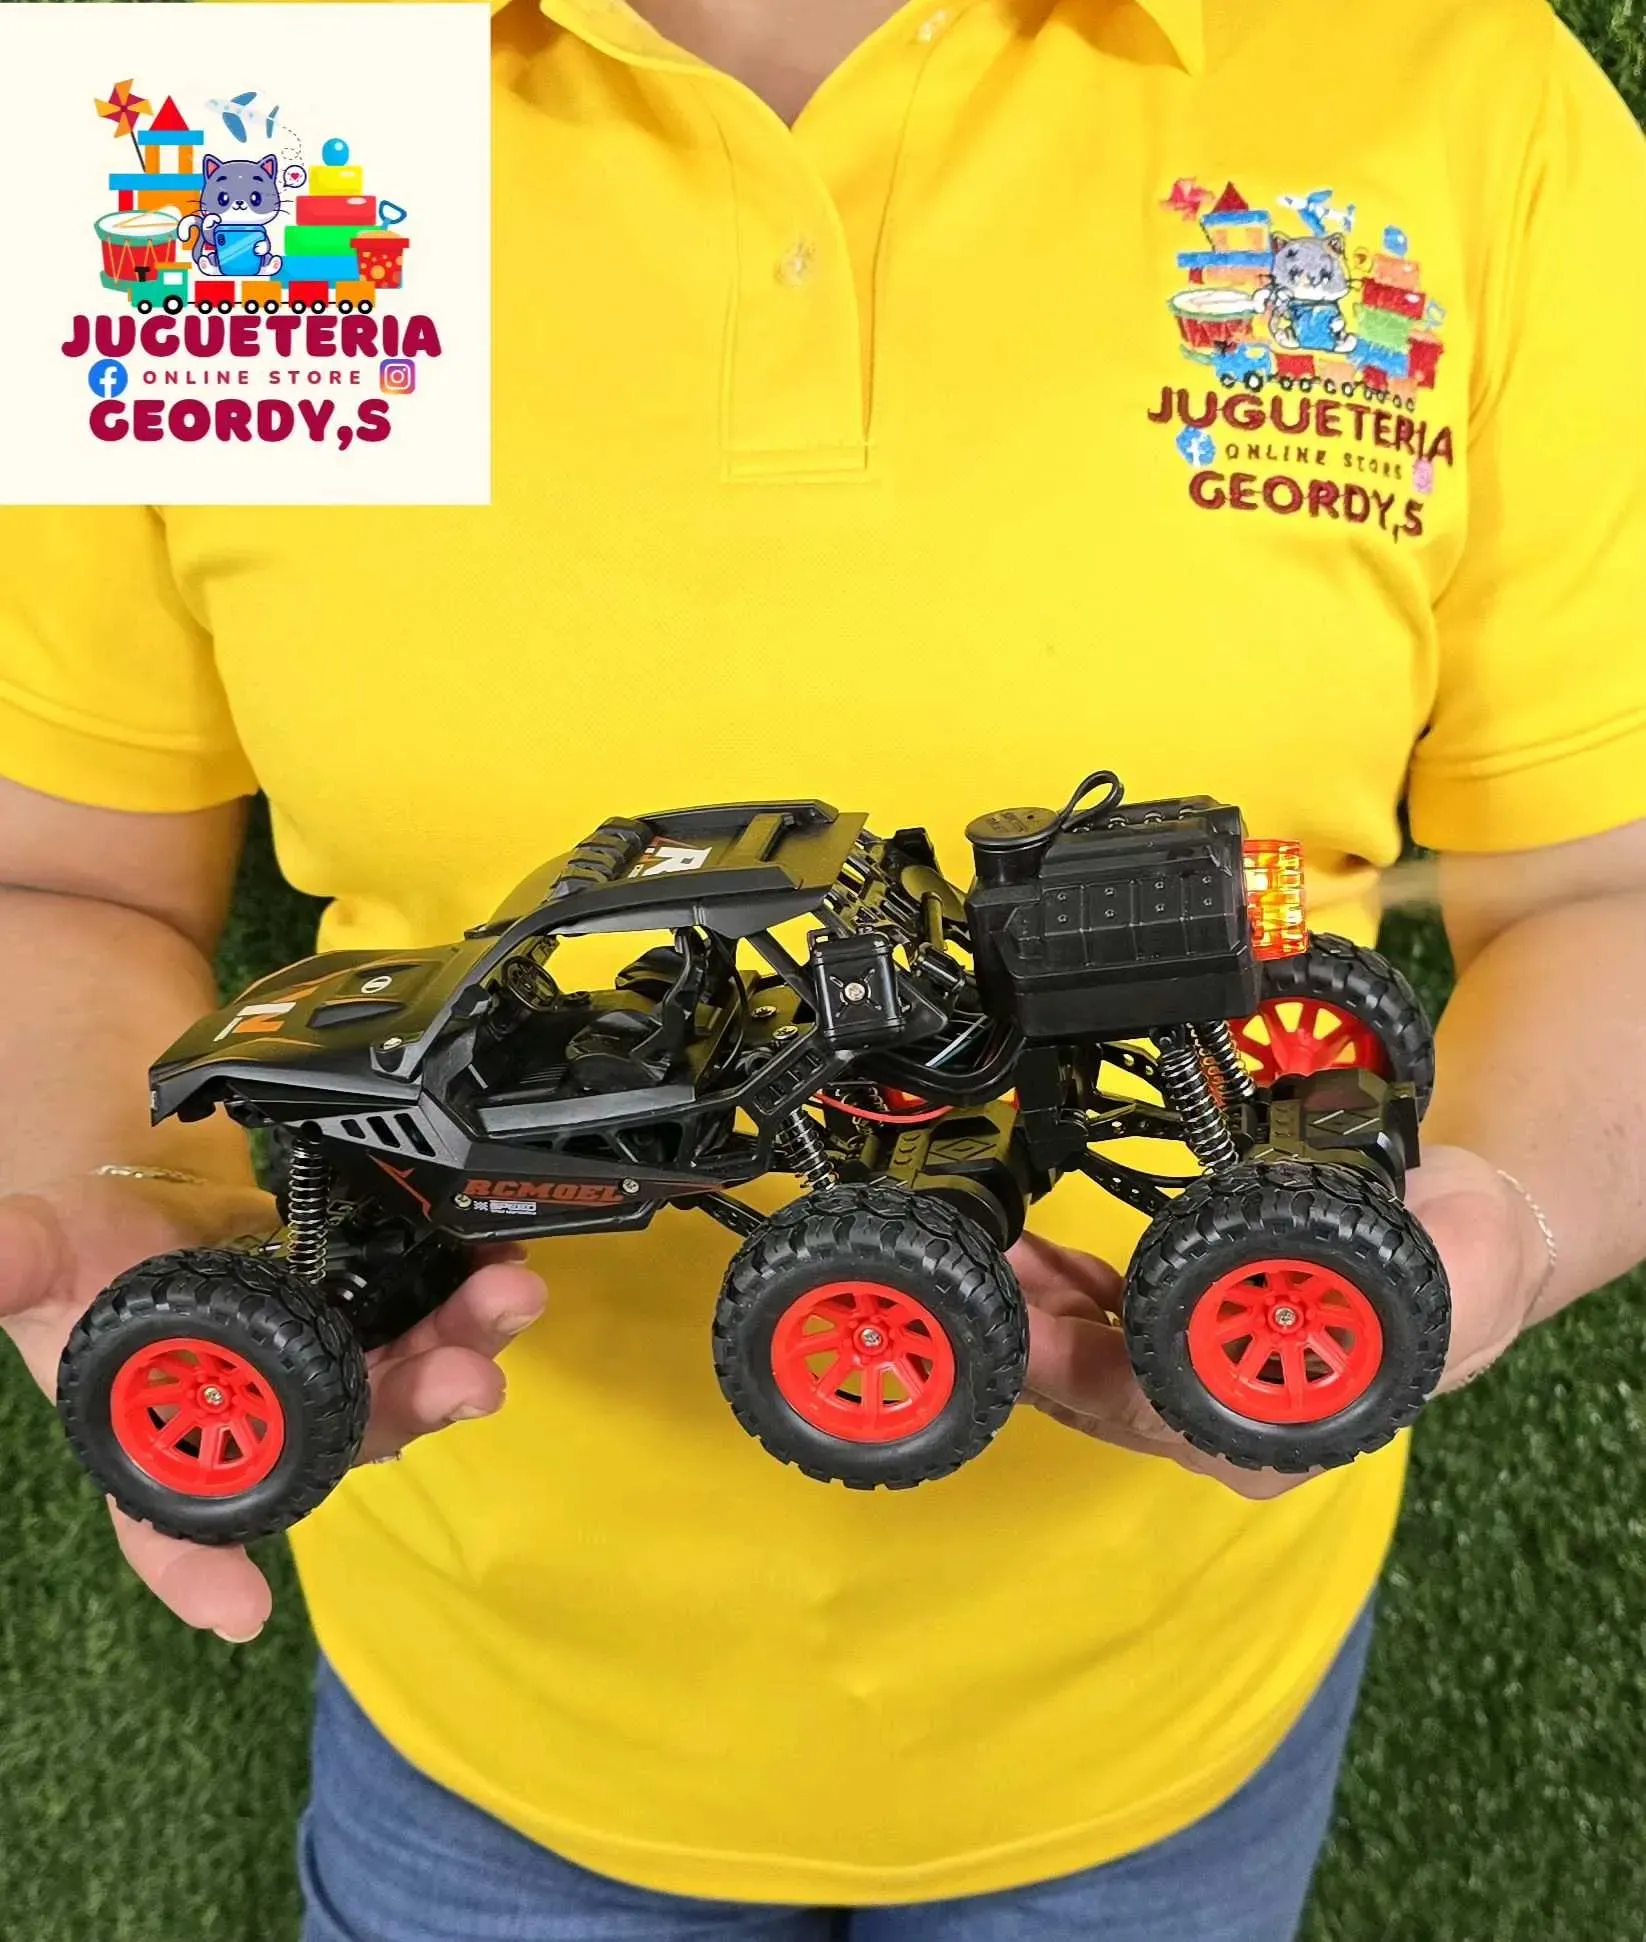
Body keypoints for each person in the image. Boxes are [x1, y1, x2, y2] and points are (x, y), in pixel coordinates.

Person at [3, 0, 1645, 1936]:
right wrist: (112, 1186)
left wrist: (1507, 1221)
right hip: (483, 1675)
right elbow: (63, 880)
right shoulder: (214, 115)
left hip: (1169, 1691)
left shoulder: (1454, 89)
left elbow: (1603, 890)